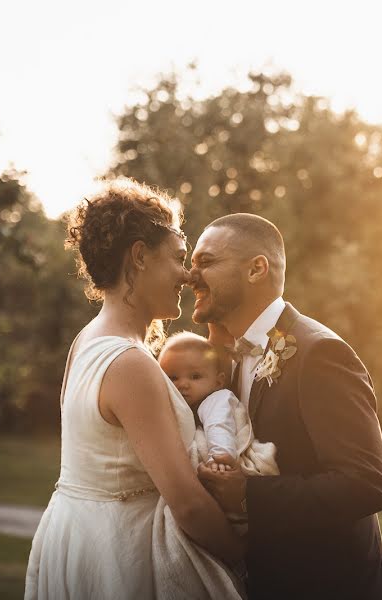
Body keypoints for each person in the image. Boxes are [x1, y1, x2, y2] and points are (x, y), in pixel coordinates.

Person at [24, 179, 244, 600]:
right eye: (180, 259)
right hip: (119, 557)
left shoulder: (87, 341)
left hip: (78, 535)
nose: (188, 274)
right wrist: (246, 558)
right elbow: (190, 505)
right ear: (140, 256)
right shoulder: (130, 363)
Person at [190, 213, 382, 600]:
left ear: (256, 269)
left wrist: (247, 494)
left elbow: (366, 484)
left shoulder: (321, 353)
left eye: (206, 261)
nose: (190, 276)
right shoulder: (225, 355)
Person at [158, 331, 279, 480]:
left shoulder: (217, 399)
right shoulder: (180, 406)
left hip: (225, 457)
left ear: (218, 382)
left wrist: (220, 457)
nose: (183, 384)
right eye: (173, 378)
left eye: (195, 376)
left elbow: (220, 426)